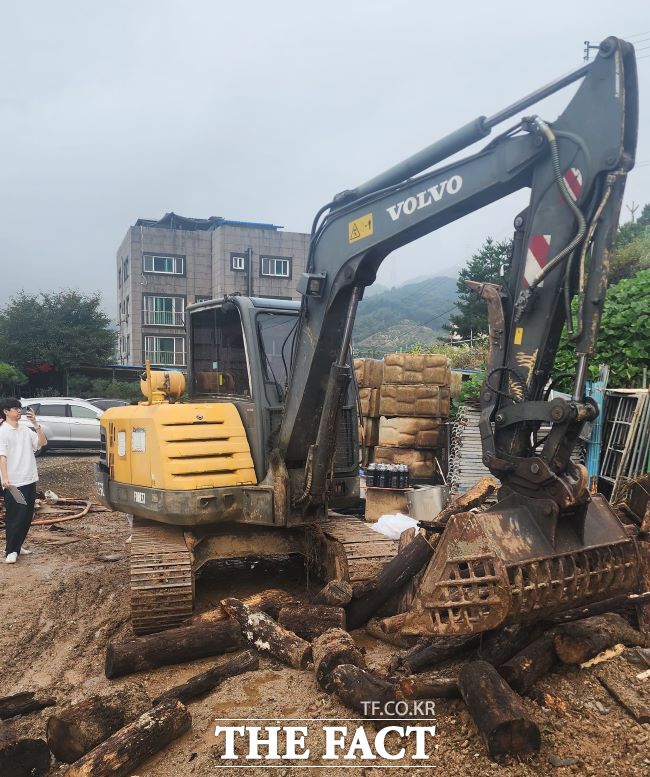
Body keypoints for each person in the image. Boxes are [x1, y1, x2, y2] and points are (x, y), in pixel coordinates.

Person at [0, 398, 47, 564]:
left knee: (27, 516)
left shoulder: (25, 430)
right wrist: (5, 478)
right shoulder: (3, 431)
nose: (18, 411)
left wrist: (36, 424)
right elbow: (2, 456)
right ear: (6, 411)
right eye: (14, 408)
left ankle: (18, 546)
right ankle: (10, 551)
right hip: (14, 482)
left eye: (19, 408)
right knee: (15, 516)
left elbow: (42, 442)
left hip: (29, 478)